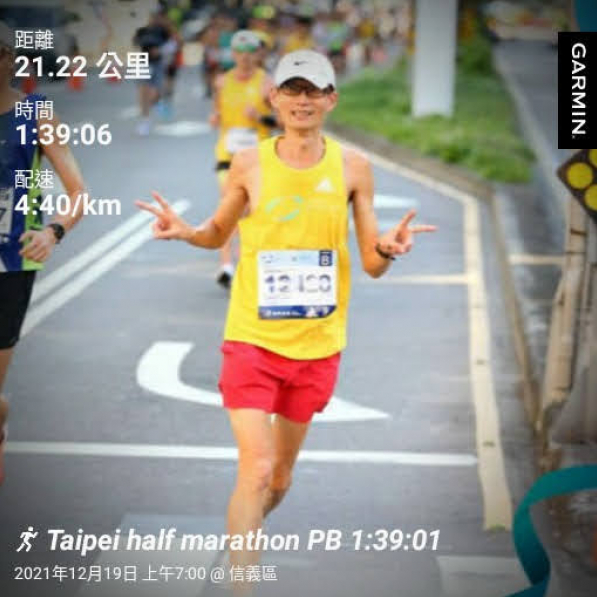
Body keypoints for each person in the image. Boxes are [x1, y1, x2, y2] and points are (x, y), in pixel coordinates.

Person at [136, 49, 436, 594]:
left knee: (277, 478)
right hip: (251, 336)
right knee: (255, 469)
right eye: (293, 90)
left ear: (331, 100)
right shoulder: (249, 163)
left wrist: (389, 248)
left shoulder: (353, 167)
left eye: (313, 90)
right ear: (274, 98)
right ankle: (242, 585)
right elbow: (218, 232)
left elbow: (371, 263)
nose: (302, 100)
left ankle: (242, 533)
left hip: (318, 344)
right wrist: (187, 232)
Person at [0, 22, 86, 484]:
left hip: (11, 262)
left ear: (12, 60)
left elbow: (78, 194)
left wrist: (53, 232)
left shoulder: (36, 114)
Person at [209, 30, 273, 288]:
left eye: (250, 52)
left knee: (250, 211)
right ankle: (226, 266)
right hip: (228, 155)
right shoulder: (221, 82)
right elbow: (217, 110)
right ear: (233, 54)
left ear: (258, 54)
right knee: (230, 206)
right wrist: (215, 117)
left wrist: (260, 117)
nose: (245, 57)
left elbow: (282, 121)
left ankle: (248, 262)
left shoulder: (267, 83)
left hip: (258, 157)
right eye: (240, 52)